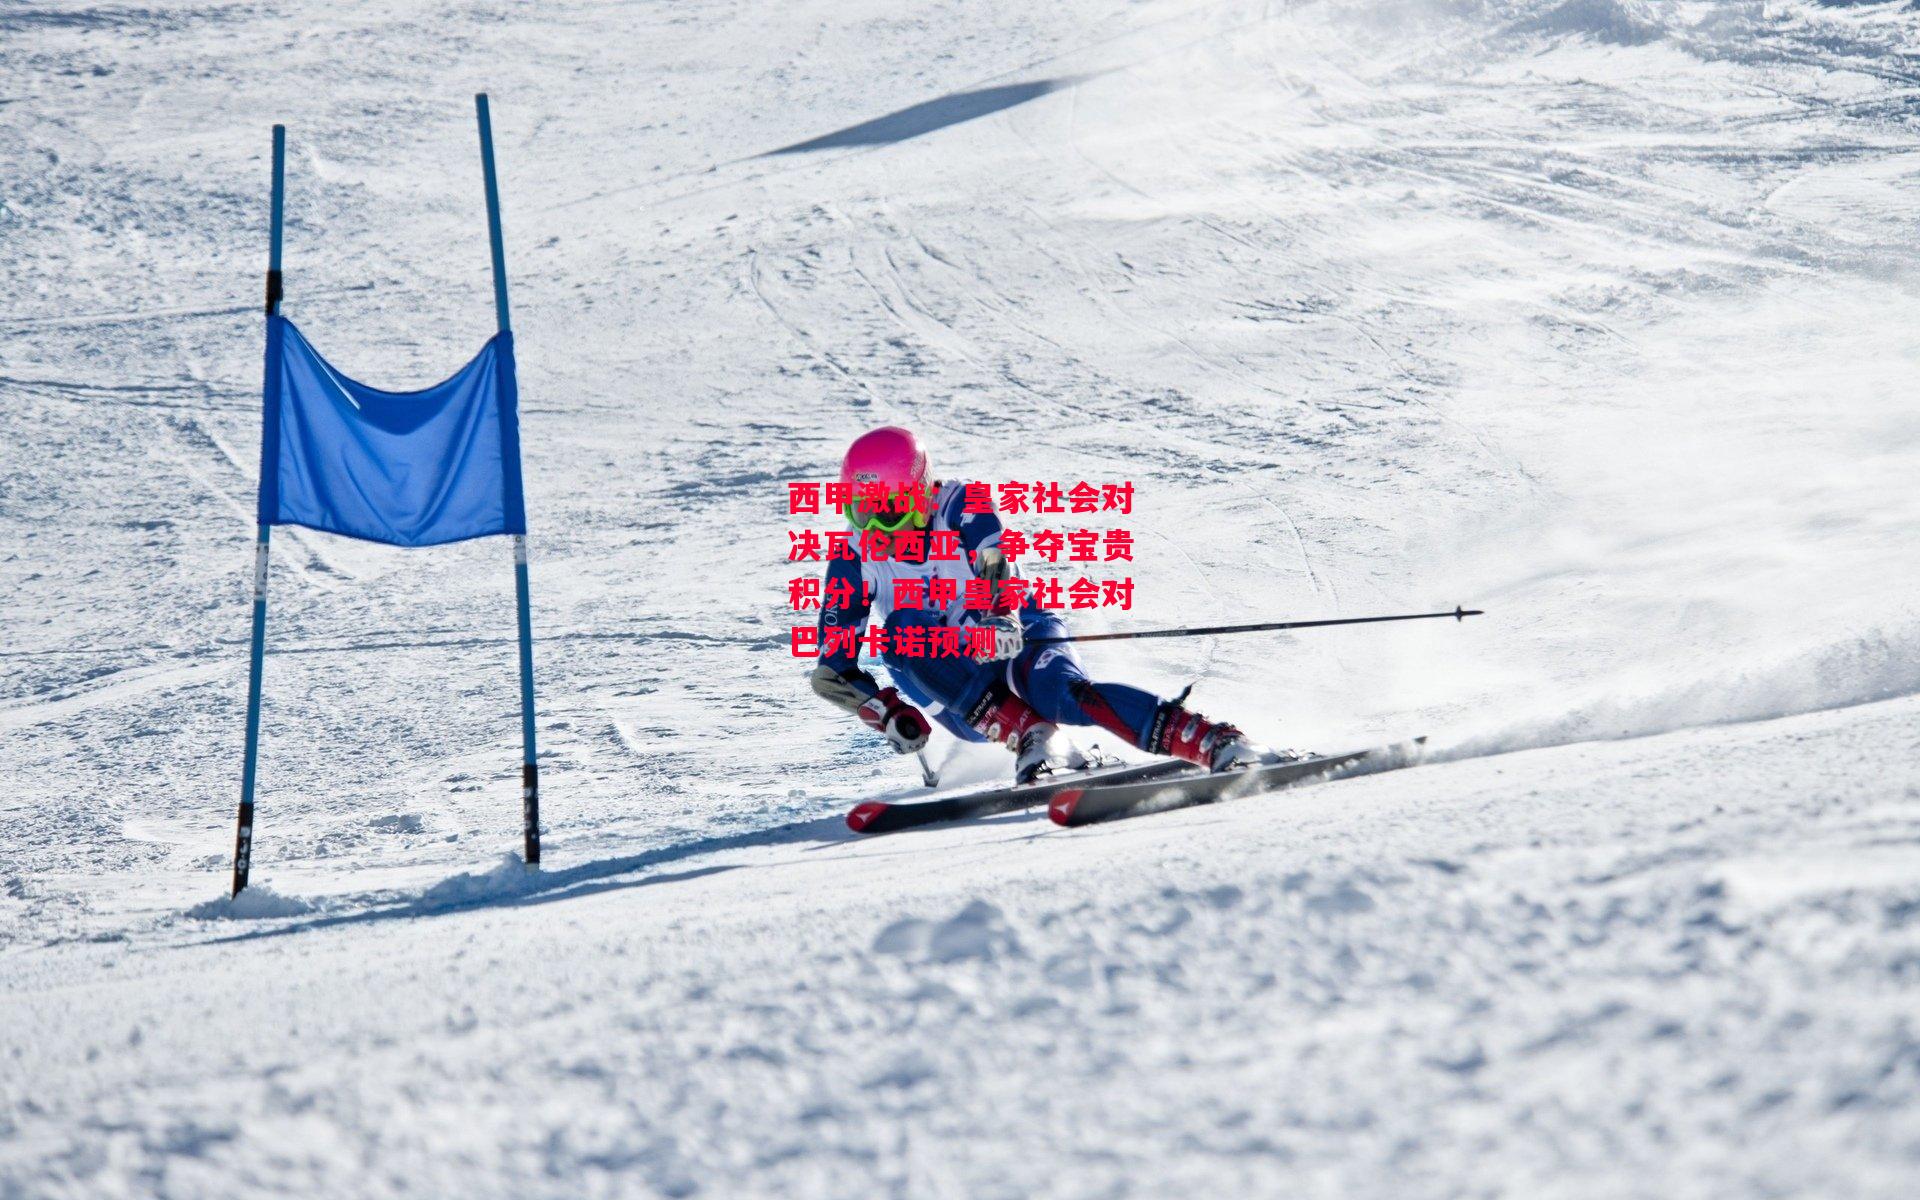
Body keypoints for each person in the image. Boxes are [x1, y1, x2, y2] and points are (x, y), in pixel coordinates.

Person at [806, 425, 1300, 784]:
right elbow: (833, 668)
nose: (875, 531)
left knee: (1060, 693)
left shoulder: (961, 505)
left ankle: (1214, 742)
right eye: (859, 511)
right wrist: (887, 711)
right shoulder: (854, 553)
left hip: (1015, 639)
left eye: (887, 515)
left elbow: (996, 561)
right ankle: (1032, 737)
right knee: (900, 633)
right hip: (962, 695)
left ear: (920, 493)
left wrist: (1000, 615)